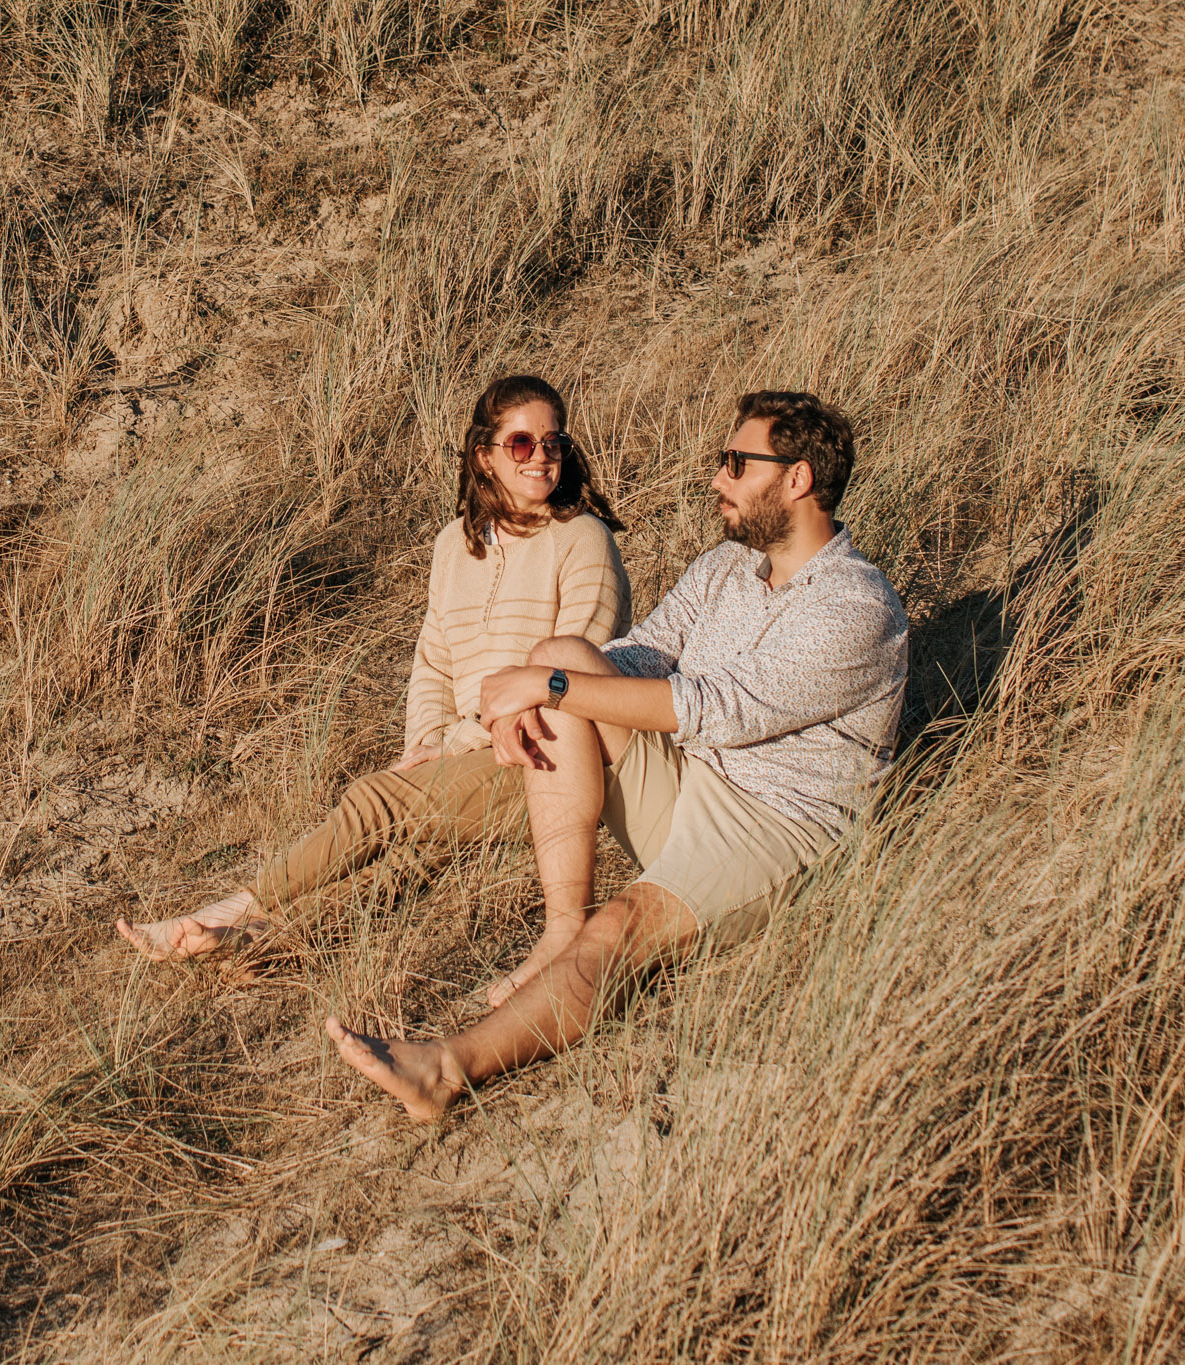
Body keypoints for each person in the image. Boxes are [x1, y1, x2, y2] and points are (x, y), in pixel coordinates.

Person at [327, 390, 908, 1118]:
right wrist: (543, 686)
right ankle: (560, 927)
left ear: (797, 479)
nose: (717, 479)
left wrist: (551, 686)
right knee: (565, 652)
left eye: (736, 463)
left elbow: (720, 709)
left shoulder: (856, 606)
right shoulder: (729, 567)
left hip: (774, 827)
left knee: (622, 925)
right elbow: (642, 652)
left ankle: (445, 1070)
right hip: (690, 775)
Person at [118, 375, 630, 978]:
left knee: (378, 800)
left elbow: (571, 672)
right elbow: (433, 661)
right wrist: (427, 740)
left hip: (547, 762)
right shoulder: (454, 545)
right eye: (522, 443)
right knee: (409, 859)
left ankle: (232, 907)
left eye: (553, 442)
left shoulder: (583, 539)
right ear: (484, 457)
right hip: (468, 751)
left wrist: (455, 743)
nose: (540, 456)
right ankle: (254, 942)